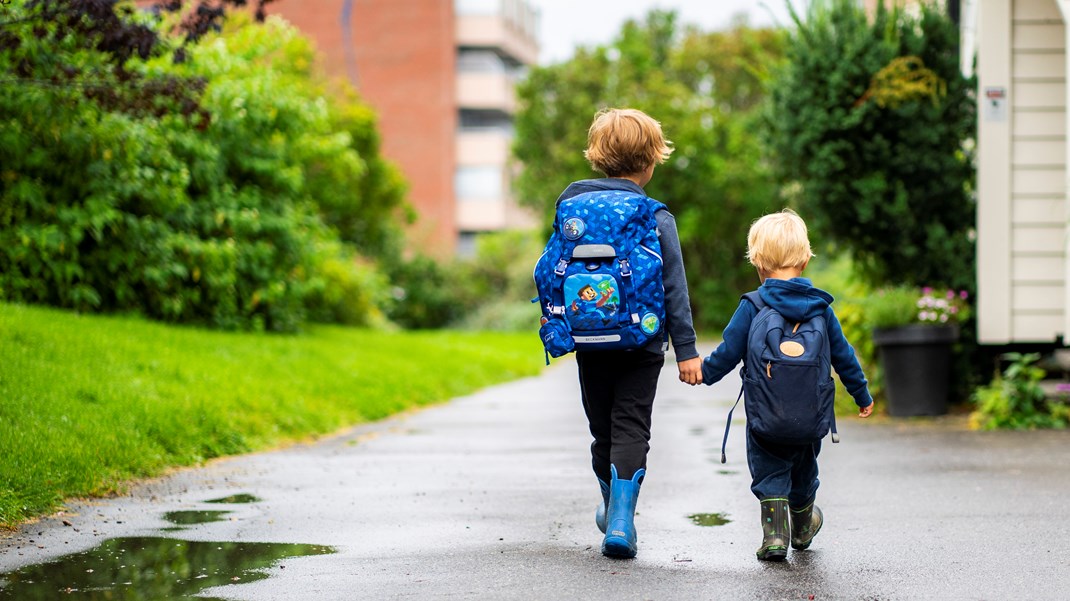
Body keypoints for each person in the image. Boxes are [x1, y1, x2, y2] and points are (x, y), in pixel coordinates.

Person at [555, 108, 703, 558]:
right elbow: (673, 286)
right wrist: (688, 351)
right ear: (652, 161)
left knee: (602, 428)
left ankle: (610, 506)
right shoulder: (654, 216)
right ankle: (621, 522)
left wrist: (556, 321)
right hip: (643, 341)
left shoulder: (570, 205)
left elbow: (554, 271)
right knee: (631, 424)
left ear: (598, 157)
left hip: (589, 339)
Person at [698, 209, 873, 561]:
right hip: (811, 419)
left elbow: (729, 350)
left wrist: (704, 372)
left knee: (769, 472)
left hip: (765, 418)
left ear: (758, 263)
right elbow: (844, 356)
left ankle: (775, 537)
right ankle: (804, 525)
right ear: (806, 260)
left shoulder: (753, 305)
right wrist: (861, 393)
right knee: (805, 473)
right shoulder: (821, 310)